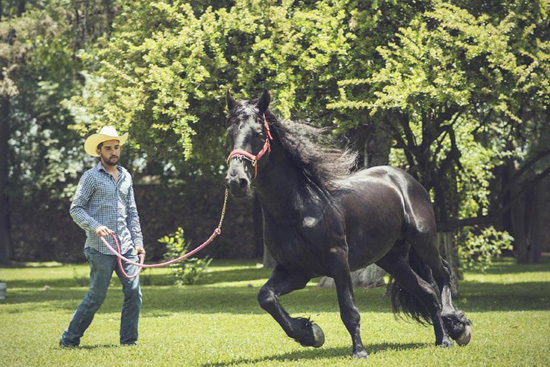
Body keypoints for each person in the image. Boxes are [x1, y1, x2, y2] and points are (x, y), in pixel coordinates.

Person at [60, 126, 146, 347]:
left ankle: (129, 342)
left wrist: (138, 243)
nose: (114, 152)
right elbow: (76, 209)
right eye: (108, 148)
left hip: (126, 247)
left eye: (116, 147)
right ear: (99, 151)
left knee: (134, 293)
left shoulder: (126, 176)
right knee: (96, 297)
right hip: (100, 248)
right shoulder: (90, 178)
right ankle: (69, 339)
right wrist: (95, 226)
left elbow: (132, 212)